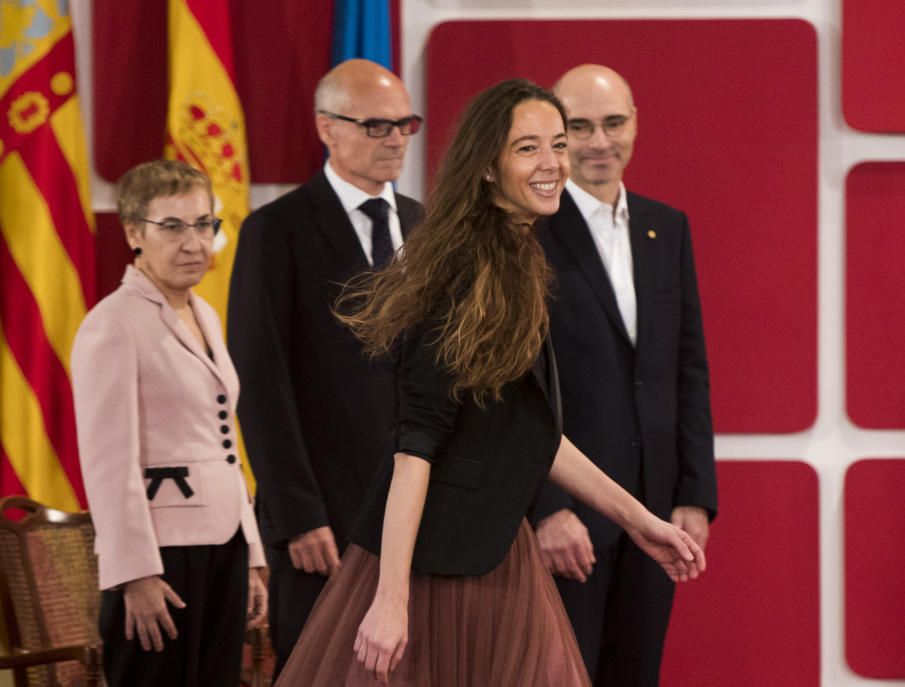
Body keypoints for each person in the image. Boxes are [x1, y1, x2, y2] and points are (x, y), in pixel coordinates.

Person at [273, 78, 706, 687]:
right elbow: (415, 444)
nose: (554, 162)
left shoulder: (516, 258)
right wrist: (392, 599)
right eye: (528, 148)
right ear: (486, 166)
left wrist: (642, 522)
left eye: (557, 143)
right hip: (439, 566)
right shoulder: (469, 268)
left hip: (494, 552)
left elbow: (536, 434)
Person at [227, 58, 424, 674]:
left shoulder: (429, 227)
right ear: (327, 128)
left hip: (419, 513)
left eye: (405, 124)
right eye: (376, 126)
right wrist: (296, 514)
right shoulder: (276, 230)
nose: (395, 139)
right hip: (324, 521)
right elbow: (259, 382)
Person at [532, 63, 718, 686]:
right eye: (578, 127)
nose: (599, 142)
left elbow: (687, 367)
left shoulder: (668, 228)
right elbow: (513, 390)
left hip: (656, 509)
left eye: (613, 122)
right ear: (557, 136)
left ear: (635, 123)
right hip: (571, 519)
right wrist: (548, 508)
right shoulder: (526, 234)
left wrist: (693, 492)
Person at [71, 160, 268, 687]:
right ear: (134, 233)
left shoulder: (204, 312)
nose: (194, 243)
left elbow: (224, 445)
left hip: (221, 541)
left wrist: (249, 551)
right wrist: (134, 574)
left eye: (205, 224)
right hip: (159, 554)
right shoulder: (111, 325)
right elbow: (109, 463)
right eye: (173, 226)